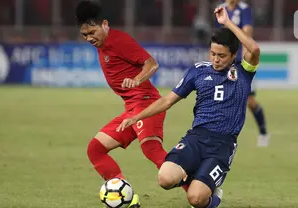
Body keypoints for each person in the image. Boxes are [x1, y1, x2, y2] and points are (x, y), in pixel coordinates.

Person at [117, 7, 260, 208]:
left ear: (234, 55)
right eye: (212, 53)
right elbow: (167, 101)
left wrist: (227, 23)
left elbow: (254, 49)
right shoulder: (198, 71)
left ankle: (212, 196)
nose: (216, 60)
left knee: (196, 199)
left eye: (221, 55)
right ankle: (200, 179)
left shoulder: (244, 72)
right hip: (196, 138)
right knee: (165, 179)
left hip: (222, 145)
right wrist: (136, 117)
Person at [75, 1, 168, 207]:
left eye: (92, 32)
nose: (89, 38)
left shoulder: (119, 40)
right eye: (85, 35)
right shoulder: (103, 44)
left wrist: (137, 80)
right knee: (96, 149)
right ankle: (126, 197)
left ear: (105, 24)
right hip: (132, 108)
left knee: (151, 149)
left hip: (146, 103)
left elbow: (152, 64)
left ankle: (199, 188)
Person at [215, 0, 270, 147]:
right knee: (223, 98)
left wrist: (245, 63)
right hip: (226, 61)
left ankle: (263, 131)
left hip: (241, 62)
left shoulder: (245, 9)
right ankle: (221, 134)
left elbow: (247, 36)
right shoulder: (220, 8)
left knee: (250, 102)